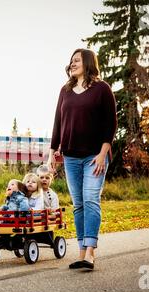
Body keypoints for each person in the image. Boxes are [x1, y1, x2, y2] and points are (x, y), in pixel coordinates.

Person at [47, 48, 117, 271]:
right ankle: (81, 252)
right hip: (70, 157)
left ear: (88, 63)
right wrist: (52, 152)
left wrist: (103, 153)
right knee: (78, 205)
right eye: (71, 61)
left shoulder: (101, 89)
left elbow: (111, 123)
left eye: (76, 60)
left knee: (90, 200)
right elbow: (58, 122)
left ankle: (90, 253)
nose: (72, 63)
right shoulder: (65, 90)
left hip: (94, 156)